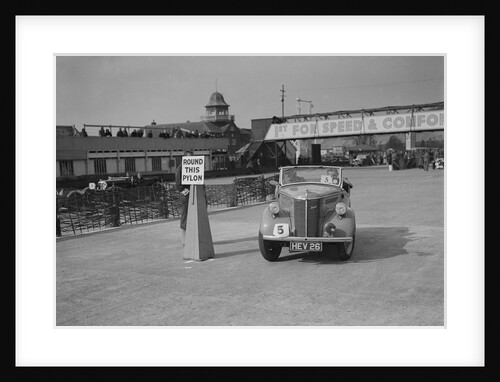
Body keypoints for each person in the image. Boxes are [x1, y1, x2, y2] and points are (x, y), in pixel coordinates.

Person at [176, 149, 194, 246]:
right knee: (185, 216)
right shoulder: (180, 168)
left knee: (194, 216)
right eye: (188, 158)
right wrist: (187, 193)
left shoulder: (194, 168)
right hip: (186, 195)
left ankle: (193, 237)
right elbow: (178, 185)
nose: (190, 160)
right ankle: (184, 240)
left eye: (191, 158)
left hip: (194, 195)